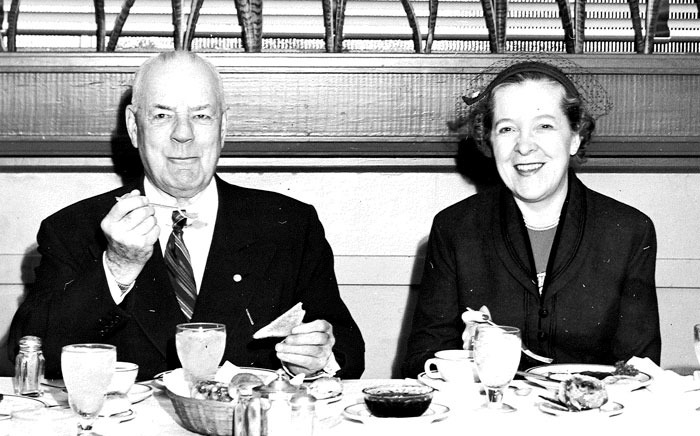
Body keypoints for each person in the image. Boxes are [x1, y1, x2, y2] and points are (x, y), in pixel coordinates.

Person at [9, 51, 365, 380]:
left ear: (223, 127)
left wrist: (317, 359)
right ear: (134, 127)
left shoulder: (289, 224)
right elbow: (28, 355)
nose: (183, 134)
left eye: (201, 116)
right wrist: (117, 268)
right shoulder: (73, 229)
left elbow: (347, 350)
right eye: (162, 115)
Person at [402, 60, 660, 377]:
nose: (524, 146)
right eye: (507, 129)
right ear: (489, 140)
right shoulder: (454, 229)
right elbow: (418, 366)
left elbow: (640, 369)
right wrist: (465, 359)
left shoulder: (629, 231)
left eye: (544, 126)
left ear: (575, 137)